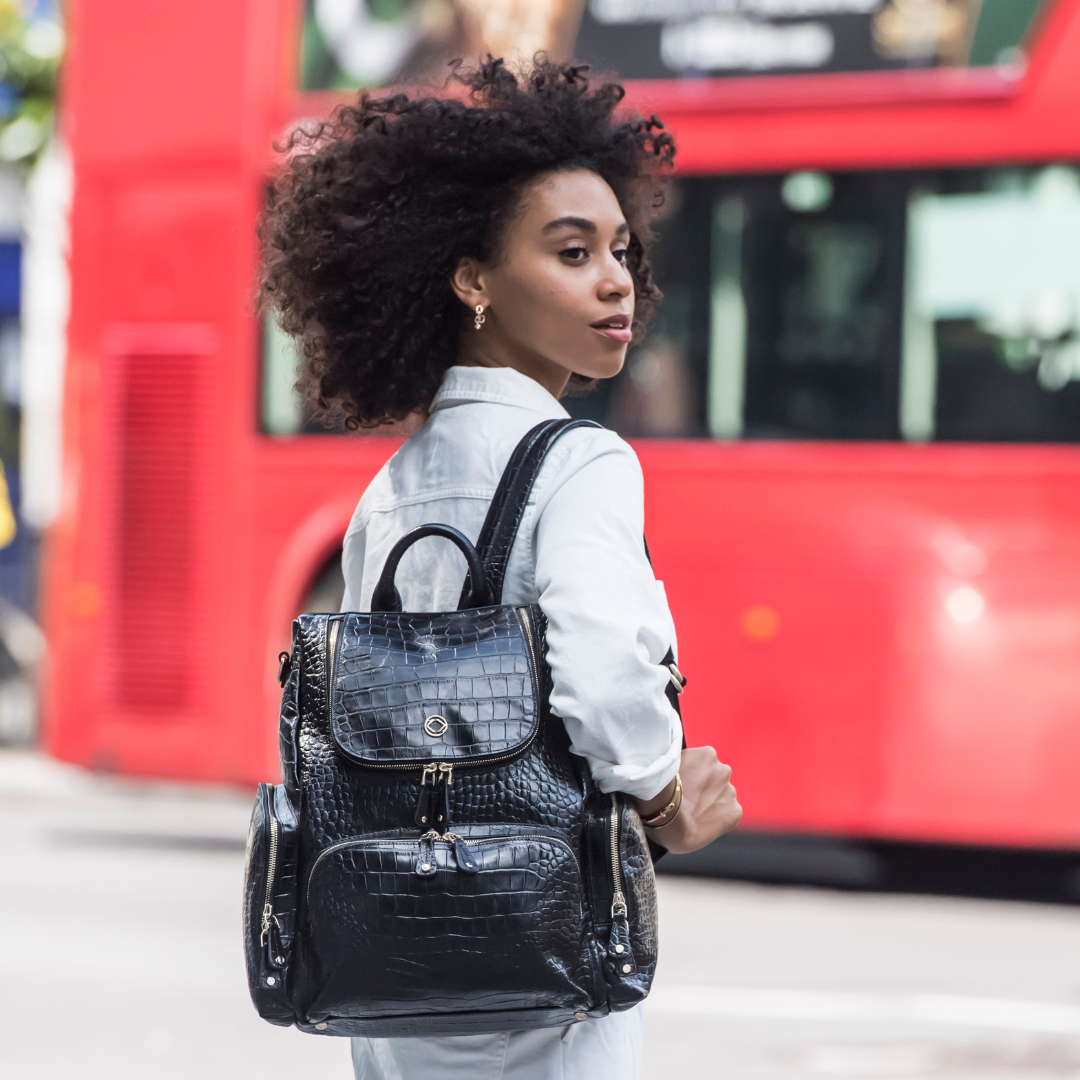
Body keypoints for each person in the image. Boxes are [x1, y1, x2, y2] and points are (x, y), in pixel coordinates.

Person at [259, 55, 742, 1080]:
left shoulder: (390, 488)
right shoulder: (583, 464)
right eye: (572, 253)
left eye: (621, 249)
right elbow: (605, 677)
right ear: (471, 279)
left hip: (385, 958)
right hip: (540, 950)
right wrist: (667, 802)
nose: (616, 279)